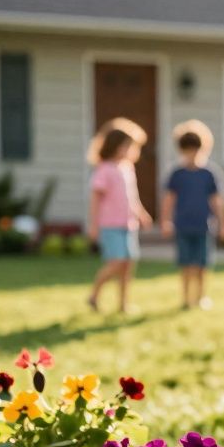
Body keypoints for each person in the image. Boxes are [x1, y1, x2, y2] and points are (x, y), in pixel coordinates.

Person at [160, 120, 224, 309]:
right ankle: (185, 298)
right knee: (185, 264)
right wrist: (165, 221)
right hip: (183, 225)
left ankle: (201, 297)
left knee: (202, 265)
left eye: (195, 149)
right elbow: (169, 199)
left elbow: (217, 201)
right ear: (181, 150)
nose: (192, 154)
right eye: (187, 150)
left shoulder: (209, 174)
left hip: (204, 226)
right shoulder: (177, 174)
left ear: (204, 148)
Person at [86, 118, 153, 313]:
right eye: (128, 146)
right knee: (115, 262)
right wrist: (94, 225)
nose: (131, 150)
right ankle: (94, 295)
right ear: (114, 146)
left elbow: (132, 197)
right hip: (110, 225)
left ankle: (123, 303)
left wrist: (141, 213)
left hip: (128, 225)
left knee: (128, 265)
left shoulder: (127, 168)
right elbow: (96, 199)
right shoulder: (104, 170)